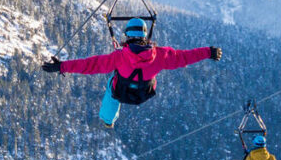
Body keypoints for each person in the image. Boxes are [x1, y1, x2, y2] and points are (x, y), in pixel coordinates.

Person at [42, 18, 221, 127]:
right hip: (144, 93)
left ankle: (108, 119)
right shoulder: (160, 55)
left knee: (112, 85)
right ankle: (109, 117)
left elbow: (90, 65)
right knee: (124, 78)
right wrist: (208, 52)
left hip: (121, 91)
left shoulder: (119, 57)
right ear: (145, 36)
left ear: (128, 36)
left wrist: (62, 66)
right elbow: (185, 57)